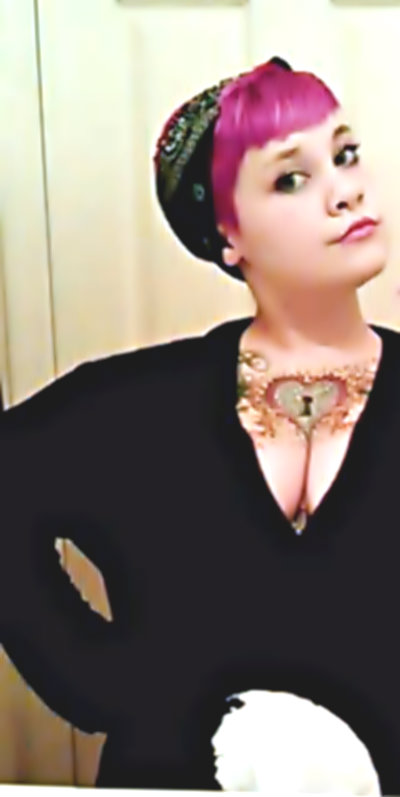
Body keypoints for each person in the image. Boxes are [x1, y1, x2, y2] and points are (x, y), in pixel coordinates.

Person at [0, 55, 398, 791]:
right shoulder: (135, 408)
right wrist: (89, 678)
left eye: (344, 154)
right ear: (226, 233)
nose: (346, 190)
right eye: (292, 178)